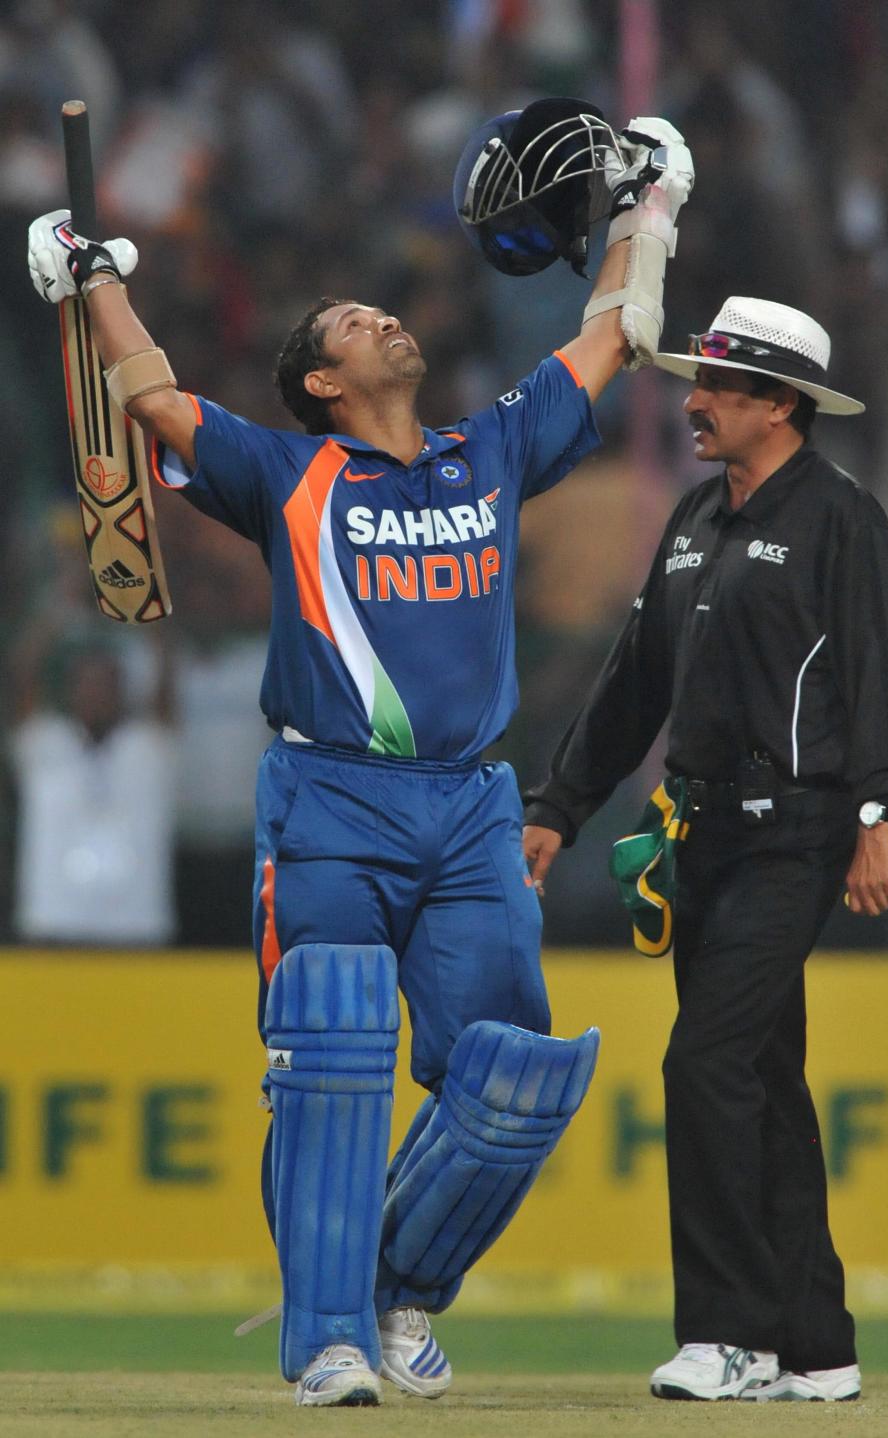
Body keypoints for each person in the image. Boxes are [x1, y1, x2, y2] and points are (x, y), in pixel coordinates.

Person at [28, 105, 693, 1406]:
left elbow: (610, 334)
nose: (384, 321)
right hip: (331, 797)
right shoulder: (286, 472)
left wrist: (649, 213)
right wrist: (91, 277)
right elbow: (157, 402)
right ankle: (325, 1336)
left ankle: (395, 1290)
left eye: (378, 314)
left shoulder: (488, 450)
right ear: (324, 382)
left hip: (469, 804)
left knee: (514, 1071)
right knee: (330, 1047)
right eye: (349, 323)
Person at [523, 296, 888, 1403]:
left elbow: (886, 668)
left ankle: (728, 1333)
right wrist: (560, 801)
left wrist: (876, 815)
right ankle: (816, 1342)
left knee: (704, 1061)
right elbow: (634, 679)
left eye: (719, 388)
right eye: (698, 380)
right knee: (762, 1076)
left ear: (781, 404)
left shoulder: (840, 516)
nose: (693, 402)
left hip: (797, 833)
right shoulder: (699, 516)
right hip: (700, 835)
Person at [8, 613, 177, 946]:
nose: (96, 693)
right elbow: (21, 683)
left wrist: (149, 619)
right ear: (70, 691)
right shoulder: (45, 743)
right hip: (53, 923)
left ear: (123, 691)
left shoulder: (147, 749)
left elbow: (167, 693)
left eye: (105, 683)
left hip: (134, 927)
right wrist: (54, 615)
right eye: (87, 683)